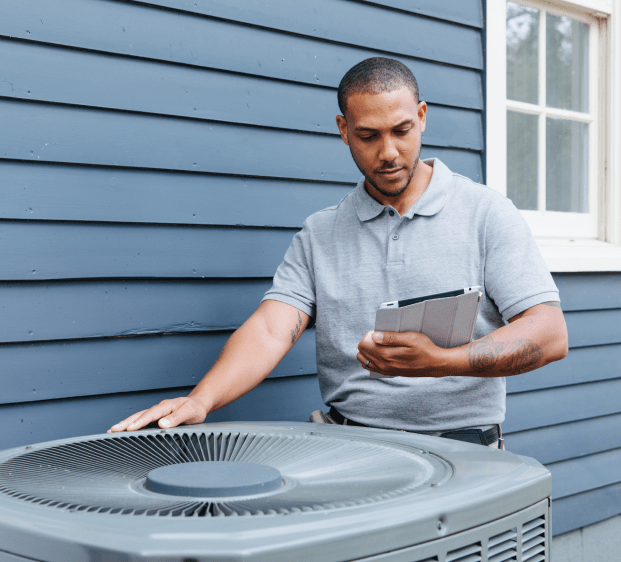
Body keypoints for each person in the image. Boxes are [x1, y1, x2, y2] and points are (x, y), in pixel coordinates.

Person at [109, 58, 568, 445]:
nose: (389, 152)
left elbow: (549, 333)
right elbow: (272, 328)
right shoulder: (320, 232)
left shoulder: (486, 213)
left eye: (402, 130)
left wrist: (439, 362)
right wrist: (200, 400)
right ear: (343, 130)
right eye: (368, 136)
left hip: (464, 449)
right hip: (350, 445)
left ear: (423, 116)